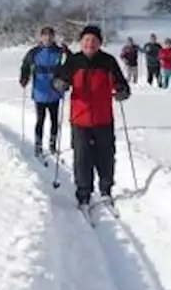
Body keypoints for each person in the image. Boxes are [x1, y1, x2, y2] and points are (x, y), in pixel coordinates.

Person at [51, 24, 130, 211]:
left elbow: (122, 84)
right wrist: (60, 84)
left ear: (100, 43)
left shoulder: (108, 61)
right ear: (81, 42)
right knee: (82, 158)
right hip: (80, 119)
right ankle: (83, 194)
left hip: (103, 118)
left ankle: (105, 190)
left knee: (106, 156)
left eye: (94, 41)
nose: (90, 44)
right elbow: (58, 80)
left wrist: (121, 91)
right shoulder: (73, 61)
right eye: (86, 40)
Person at [19, 25, 66, 157]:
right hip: (40, 93)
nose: (48, 38)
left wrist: (65, 80)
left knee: (54, 120)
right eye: (45, 35)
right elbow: (25, 65)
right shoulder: (34, 52)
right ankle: (38, 146)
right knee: (40, 120)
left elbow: (69, 65)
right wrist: (24, 78)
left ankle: (52, 145)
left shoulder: (60, 51)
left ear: (53, 37)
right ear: (41, 37)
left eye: (50, 35)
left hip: (55, 92)